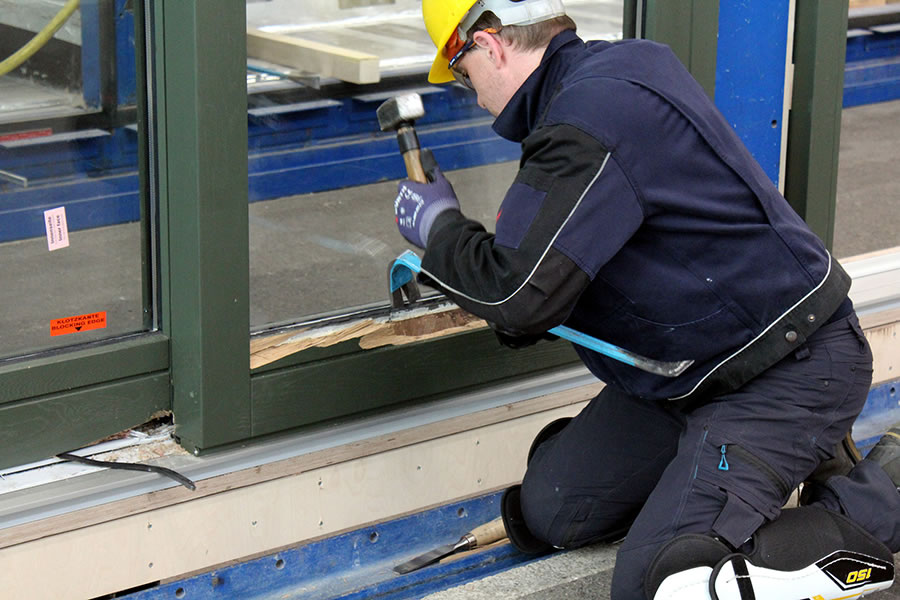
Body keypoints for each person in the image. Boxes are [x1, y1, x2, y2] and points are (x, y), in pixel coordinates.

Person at [390, 0, 900, 598]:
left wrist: (441, 229)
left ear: (489, 41)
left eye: (458, 68)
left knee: (669, 581)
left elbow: (520, 296)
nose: (468, 91)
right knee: (553, 510)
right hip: (688, 375)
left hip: (785, 368)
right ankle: (786, 463)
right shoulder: (612, 78)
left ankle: (880, 496)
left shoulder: (590, 118)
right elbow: (533, 285)